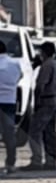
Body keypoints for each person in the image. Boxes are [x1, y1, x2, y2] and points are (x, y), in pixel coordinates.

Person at [27, 42, 56, 171]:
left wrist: (36, 102)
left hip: (46, 100)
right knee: (49, 131)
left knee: (34, 131)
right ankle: (51, 160)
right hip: (55, 99)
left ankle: (36, 160)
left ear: (45, 52)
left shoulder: (47, 65)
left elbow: (41, 85)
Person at [0, 40, 25, 172]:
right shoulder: (15, 63)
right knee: (9, 134)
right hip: (9, 101)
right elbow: (20, 76)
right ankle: (11, 162)